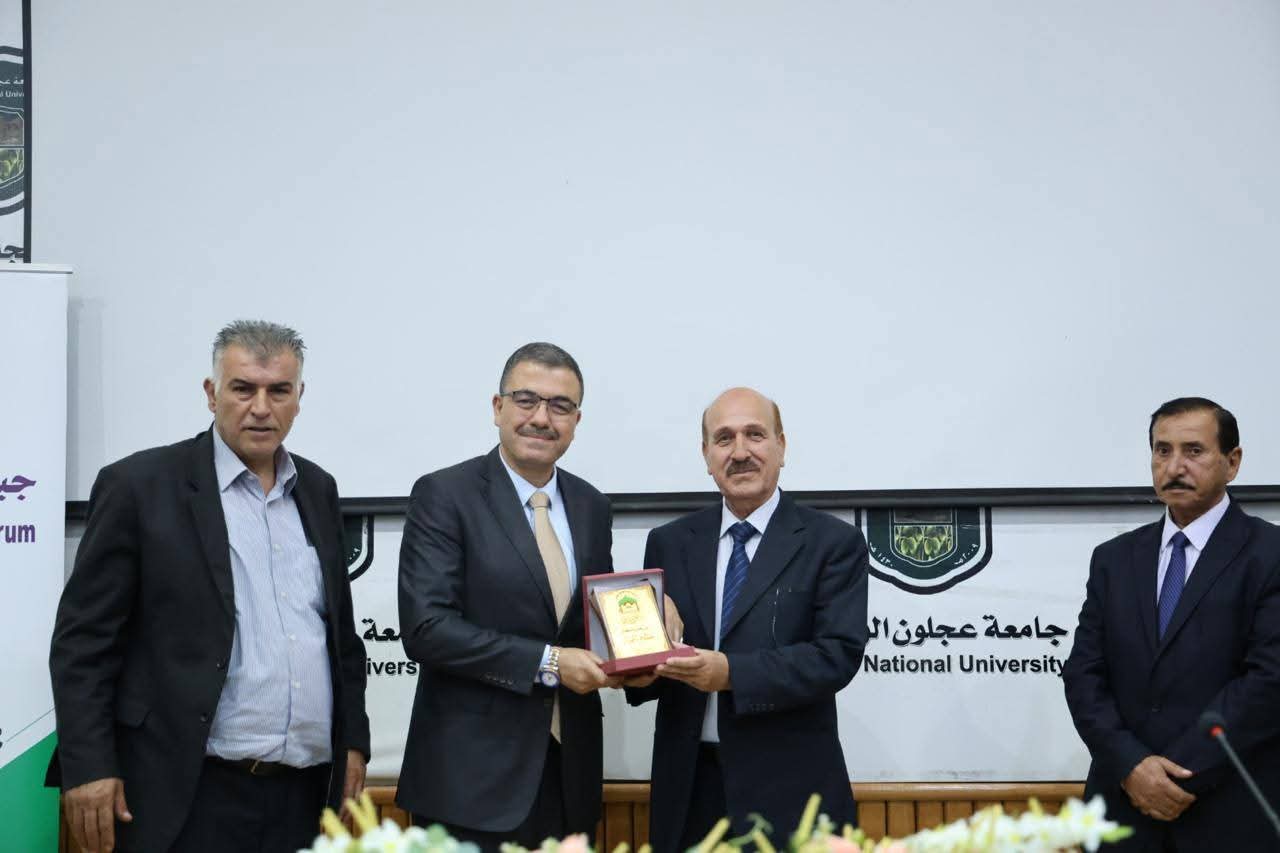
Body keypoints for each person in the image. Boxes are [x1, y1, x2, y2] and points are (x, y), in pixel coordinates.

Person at [47, 321, 370, 853]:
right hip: (183, 791)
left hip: (302, 795)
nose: (261, 408)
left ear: (299, 397)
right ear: (211, 393)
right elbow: (83, 643)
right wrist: (89, 766)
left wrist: (353, 740)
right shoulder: (139, 486)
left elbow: (341, 640)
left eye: (278, 391)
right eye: (243, 389)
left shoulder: (317, 488)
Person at [396, 342, 619, 850]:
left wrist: (641, 638)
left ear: (576, 420)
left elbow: (587, 622)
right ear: (498, 408)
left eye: (560, 406)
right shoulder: (445, 494)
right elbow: (428, 628)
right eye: (526, 400)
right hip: (471, 784)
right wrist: (550, 663)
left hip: (570, 777)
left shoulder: (591, 505)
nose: (541, 418)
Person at [629, 387, 869, 853]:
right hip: (689, 790)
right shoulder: (669, 542)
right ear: (706, 454)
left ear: (781, 445)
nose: (740, 452)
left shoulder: (832, 543)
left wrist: (730, 674)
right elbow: (656, 660)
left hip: (791, 791)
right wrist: (637, 672)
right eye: (724, 439)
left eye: (754, 435)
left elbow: (836, 656)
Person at [1063, 397, 1280, 851]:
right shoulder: (1113, 559)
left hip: (1229, 812)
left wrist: (1174, 776)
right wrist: (1132, 766)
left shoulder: (1269, 554)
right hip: (1123, 810)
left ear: (1232, 462)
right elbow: (1083, 675)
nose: (1175, 466)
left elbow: (1268, 681)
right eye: (1163, 451)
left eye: (1193, 451)